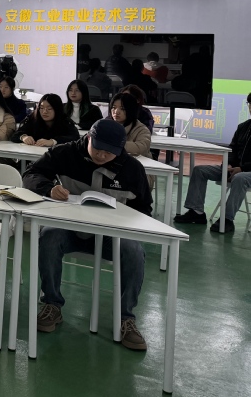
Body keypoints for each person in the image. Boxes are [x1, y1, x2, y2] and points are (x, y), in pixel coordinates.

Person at [23, 119, 153, 352]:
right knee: (49, 236)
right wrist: (48, 189)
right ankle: (52, 304)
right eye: (98, 149)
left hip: (111, 237)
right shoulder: (65, 153)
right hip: (70, 230)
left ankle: (126, 318)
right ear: (89, 138)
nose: (102, 155)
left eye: (109, 152)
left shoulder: (131, 169)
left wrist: (125, 222)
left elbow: (144, 209)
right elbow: (31, 174)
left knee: (134, 251)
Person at [175, 92, 251, 233]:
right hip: (234, 168)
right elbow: (232, 149)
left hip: (245, 173)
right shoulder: (243, 127)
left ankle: (227, 220)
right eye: (250, 104)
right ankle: (196, 212)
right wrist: (228, 164)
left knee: (240, 178)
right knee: (199, 170)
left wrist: (242, 168)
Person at [108, 91, 152, 159]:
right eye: (114, 107)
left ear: (131, 110)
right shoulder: (106, 125)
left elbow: (141, 148)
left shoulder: (141, 129)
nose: (116, 112)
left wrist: (115, 144)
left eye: (122, 109)